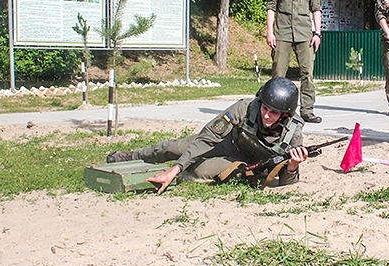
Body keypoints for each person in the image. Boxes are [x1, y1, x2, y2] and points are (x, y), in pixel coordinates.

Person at [106, 77, 309, 193]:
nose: (266, 115)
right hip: (228, 141)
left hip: (244, 162)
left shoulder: (292, 134)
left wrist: (292, 166)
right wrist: (176, 166)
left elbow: (286, 182)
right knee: (176, 148)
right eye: (265, 108)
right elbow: (208, 136)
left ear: (285, 114)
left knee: (200, 170)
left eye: (274, 113)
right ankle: (135, 156)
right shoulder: (245, 108)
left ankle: (167, 174)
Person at [266, 0, 323, 123]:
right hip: (282, 33)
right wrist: (270, 32)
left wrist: (317, 33)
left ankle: (307, 110)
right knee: (278, 73)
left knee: (307, 73)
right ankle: (275, 109)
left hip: (305, 34)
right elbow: (271, 8)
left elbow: (316, 9)